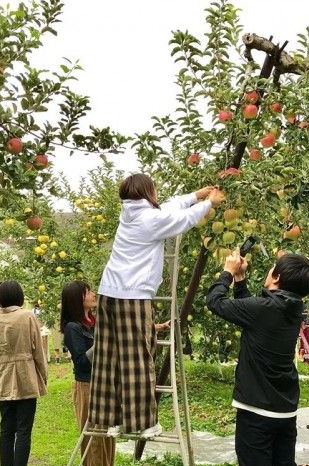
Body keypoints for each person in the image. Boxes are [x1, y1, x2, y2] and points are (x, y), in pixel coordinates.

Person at [207, 250, 309, 466]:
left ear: (278, 278)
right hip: (284, 409)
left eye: (272, 270)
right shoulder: (291, 306)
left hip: (256, 411)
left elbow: (216, 302)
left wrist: (226, 273)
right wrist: (242, 281)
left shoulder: (265, 308)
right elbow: (249, 312)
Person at [90, 173, 223, 438]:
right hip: (132, 296)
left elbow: (170, 207)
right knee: (137, 358)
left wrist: (196, 195)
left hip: (108, 293)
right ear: (147, 191)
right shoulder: (150, 219)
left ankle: (112, 419)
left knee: (109, 358)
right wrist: (209, 204)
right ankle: (142, 423)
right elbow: (182, 219)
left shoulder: (132, 214)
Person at [60, 280, 123, 466]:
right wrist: (105, 342)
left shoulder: (94, 322)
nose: (93, 294)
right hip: (87, 386)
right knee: (93, 437)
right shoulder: (73, 328)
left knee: (107, 436)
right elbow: (81, 362)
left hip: (105, 383)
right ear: (79, 299)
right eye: (89, 292)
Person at [0, 280, 49, 466]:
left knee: (6, 428)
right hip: (25, 376)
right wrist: (43, 375)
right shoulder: (27, 315)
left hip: (3, 377)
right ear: (19, 296)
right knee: (23, 429)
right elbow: (38, 350)